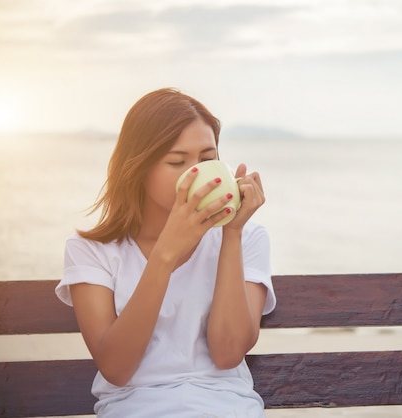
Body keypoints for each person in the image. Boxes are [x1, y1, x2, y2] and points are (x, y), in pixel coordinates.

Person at [55, 88, 276, 417]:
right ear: (139, 168)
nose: (198, 175)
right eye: (177, 161)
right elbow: (116, 368)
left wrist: (231, 232)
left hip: (227, 406)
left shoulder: (248, 237)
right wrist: (165, 255)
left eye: (207, 159)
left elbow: (227, 353)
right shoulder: (90, 251)